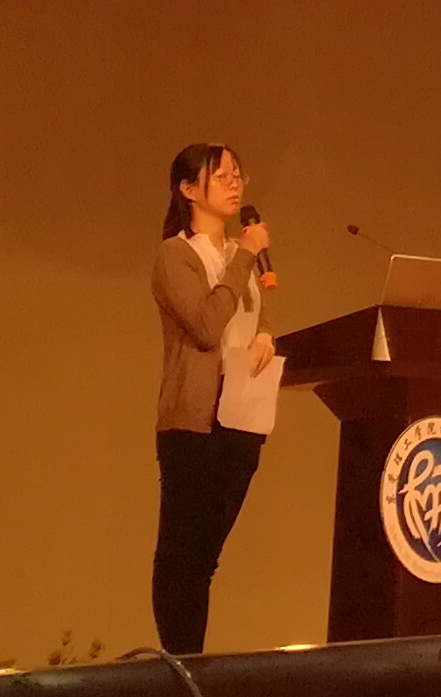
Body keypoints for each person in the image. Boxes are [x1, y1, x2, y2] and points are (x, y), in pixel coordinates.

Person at [151, 142, 278, 654]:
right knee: (181, 553)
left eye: (237, 174)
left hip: (242, 418)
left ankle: (191, 661)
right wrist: (245, 253)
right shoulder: (176, 254)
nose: (234, 183)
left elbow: (252, 315)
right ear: (188, 189)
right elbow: (206, 325)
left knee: (206, 557)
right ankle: (183, 664)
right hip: (193, 424)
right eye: (221, 175)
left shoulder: (238, 258)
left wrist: (266, 334)